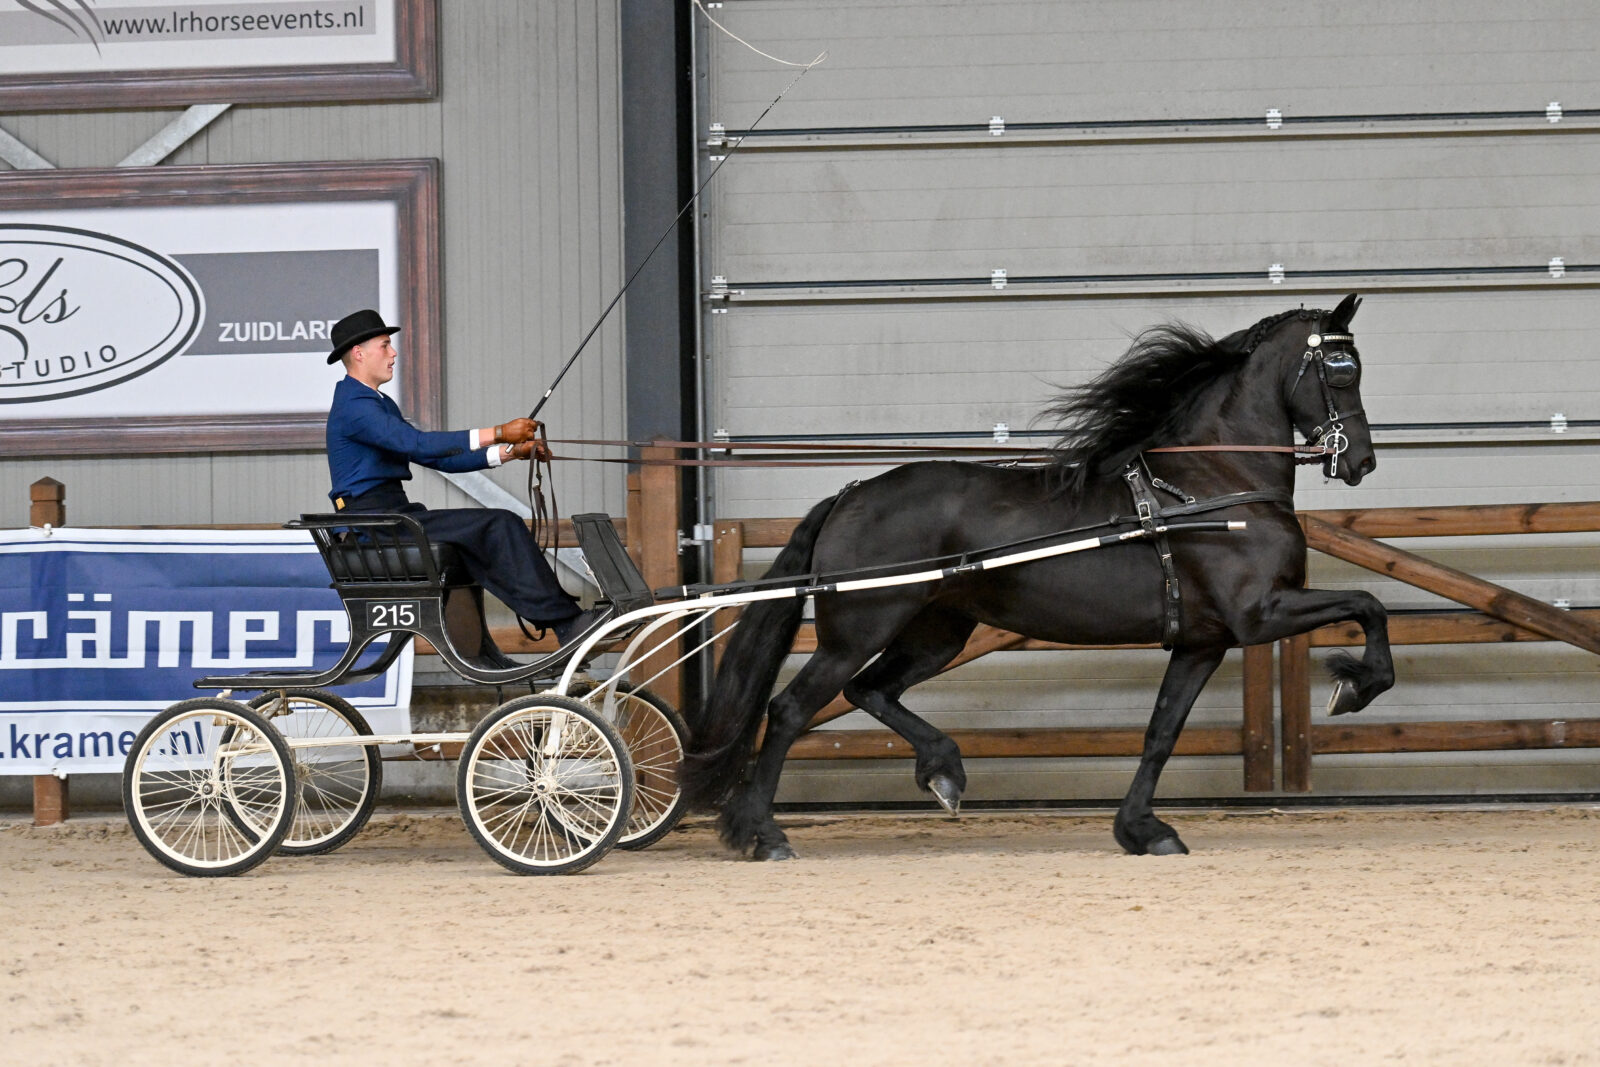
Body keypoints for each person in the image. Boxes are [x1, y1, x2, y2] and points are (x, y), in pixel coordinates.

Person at [323, 309, 608, 648]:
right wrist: (498, 432)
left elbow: (433, 457)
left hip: (393, 517)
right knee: (500, 524)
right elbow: (418, 444)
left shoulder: (377, 402)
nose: (393, 353)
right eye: (385, 345)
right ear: (358, 353)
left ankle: (557, 624)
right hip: (375, 524)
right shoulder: (355, 405)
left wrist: (508, 452)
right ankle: (565, 624)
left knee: (493, 527)